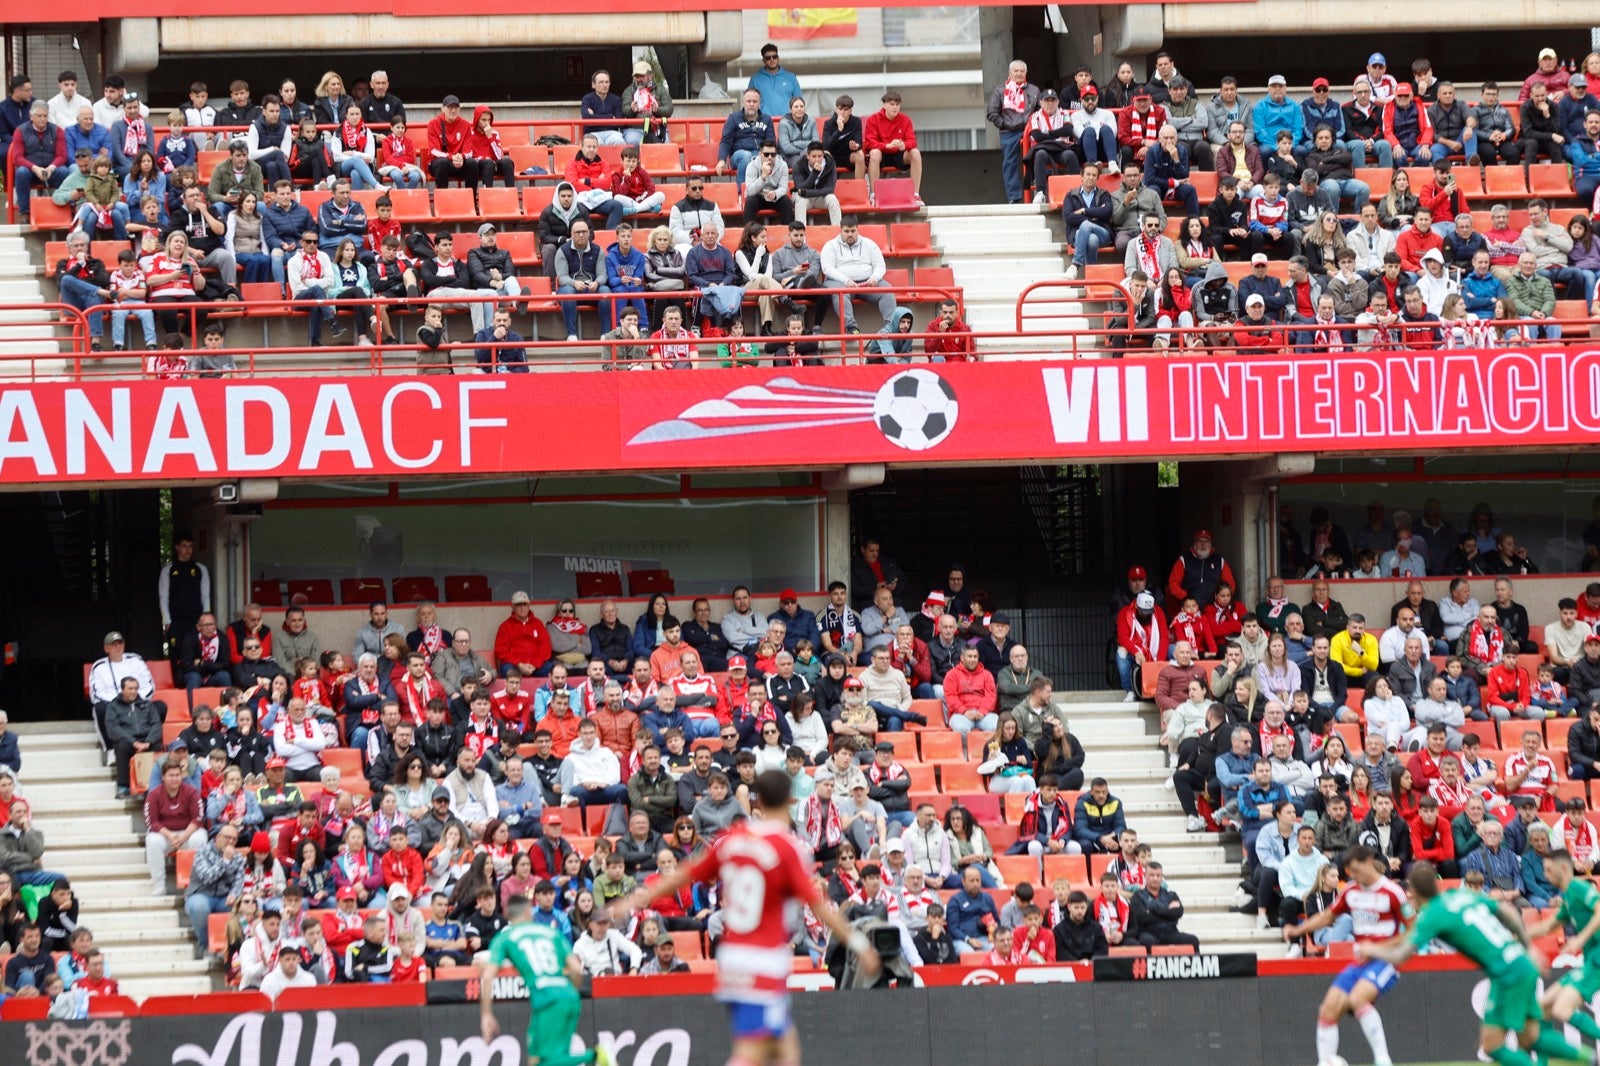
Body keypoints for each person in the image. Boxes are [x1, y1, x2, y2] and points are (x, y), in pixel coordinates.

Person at [628, 770, 879, 1062]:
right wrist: (860, 945)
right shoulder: (787, 847)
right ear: (789, 801)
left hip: (733, 955)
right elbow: (820, 906)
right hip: (761, 959)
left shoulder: (732, 839)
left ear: (758, 801)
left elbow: (688, 872)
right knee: (750, 1053)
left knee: (785, 1049)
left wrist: (644, 894)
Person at [1360, 862, 1586, 1066]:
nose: (1408, 895)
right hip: (1520, 962)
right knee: (1530, 1038)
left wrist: (1372, 949)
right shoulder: (1460, 896)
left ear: (1415, 892)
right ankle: (1593, 1059)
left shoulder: (1432, 915)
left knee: (1493, 1046)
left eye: (1410, 891)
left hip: (1507, 973)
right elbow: (1508, 911)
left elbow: (1401, 955)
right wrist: (1527, 947)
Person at [987, 61, 1040, 205]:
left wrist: (1033, 125)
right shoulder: (1000, 91)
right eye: (1015, 71)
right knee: (1009, 163)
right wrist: (1005, 124)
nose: (1019, 74)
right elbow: (992, 113)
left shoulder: (1034, 90)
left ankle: (1040, 192)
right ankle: (1014, 197)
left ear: (1026, 73)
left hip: (1029, 130)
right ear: (1010, 73)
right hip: (1008, 132)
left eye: (1022, 71)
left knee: (1039, 157)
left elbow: (1040, 111)